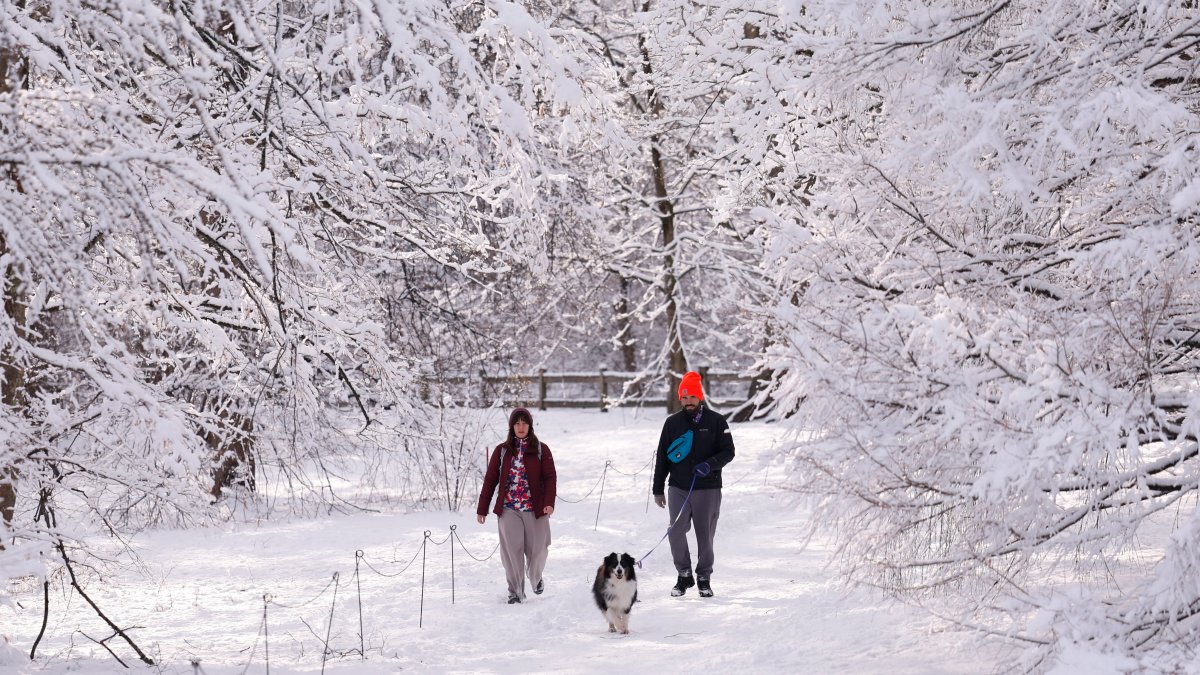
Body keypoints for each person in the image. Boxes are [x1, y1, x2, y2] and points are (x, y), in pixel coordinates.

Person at [652, 371, 735, 597]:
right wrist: (658, 489)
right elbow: (662, 457)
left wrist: (710, 465)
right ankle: (684, 574)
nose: (688, 402)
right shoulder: (672, 423)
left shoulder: (717, 421)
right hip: (678, 487)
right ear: (680, 398)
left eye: (692, 397)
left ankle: (704, 576)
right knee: (676, 530)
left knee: (705, 535)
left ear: (700, 398)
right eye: (684, 397)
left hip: (708, 488)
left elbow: (729, 451)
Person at [477, 407, 557, 604]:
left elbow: (550, 477)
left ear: (530, 426)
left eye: (524, 423)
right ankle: (515, 592)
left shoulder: (541, 449)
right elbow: (490, 480)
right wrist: (482, 507)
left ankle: (536, 577)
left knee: (538, 550)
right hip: (509, 509)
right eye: (517, 423)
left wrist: (549, 503)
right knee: (512, 553)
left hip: (536, 509)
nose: (521, 427)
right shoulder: (502, 451)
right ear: (511, 427)